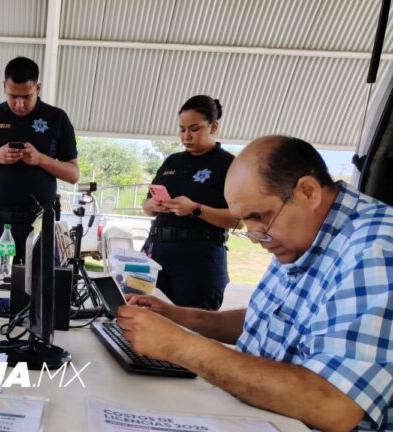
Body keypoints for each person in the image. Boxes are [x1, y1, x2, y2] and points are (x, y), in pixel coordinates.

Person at [118, 136, 393, 432]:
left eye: (259, 217)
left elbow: (335, 404)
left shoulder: (377, 246)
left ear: (308, 192)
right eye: (245, 222)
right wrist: (179, 317)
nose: (255, 236)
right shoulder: (301, 231)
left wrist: (178, 346)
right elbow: (267, 319)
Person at [0, 56, 79, 272]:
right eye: (13, 96)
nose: (19, 104)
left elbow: (73, 174)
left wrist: (40, 159)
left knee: (38, 286)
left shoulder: (56, 118)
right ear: (4, 87)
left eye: (26, 96)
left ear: (38, 88)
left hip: (38, 222)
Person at [142, 95, 239, 310]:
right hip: (158, 254)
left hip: (199, 261)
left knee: (191, 327)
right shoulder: (172, 161)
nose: (186, 136)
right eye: (182, 129)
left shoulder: (229, 165)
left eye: (194, 129)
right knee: (149, 318)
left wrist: (195, 209)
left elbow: (238, 221)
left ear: (213, 126)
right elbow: (146, 206)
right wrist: (152, 206)